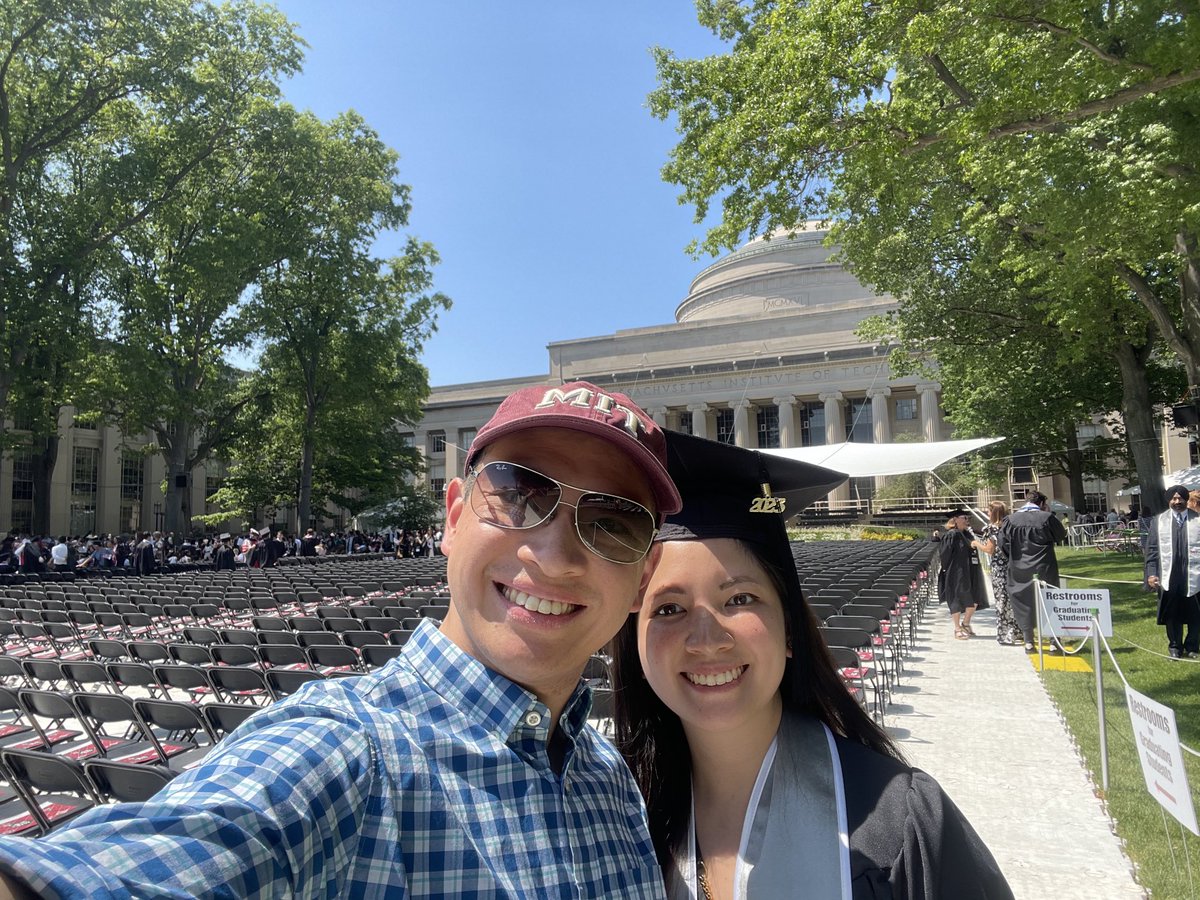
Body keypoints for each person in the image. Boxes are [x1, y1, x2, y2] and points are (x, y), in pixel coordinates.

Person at [0, 380, 680, 899]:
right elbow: (130, 866)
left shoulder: (607, 776)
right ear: (452, 516)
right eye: (518, 491)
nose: (555, 556)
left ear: (644, 576)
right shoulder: (344, 751)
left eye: (614, 522)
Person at [611, 432, 1012, 899]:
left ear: (790, 629)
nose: (706, 641)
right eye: (668, 609)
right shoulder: (612, 814)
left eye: (740, 598)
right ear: (634, 642)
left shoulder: (902, 822)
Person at [997, 490, 1066, 653]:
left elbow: (1002, 544)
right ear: (1042, 504)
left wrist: (1014, 558)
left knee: (1022, 602)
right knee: (1050, 600)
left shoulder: (1010, 520)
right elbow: (1061, 536)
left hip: (1019, 568)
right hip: (1044, 566)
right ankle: (1053, 642)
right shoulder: (1047, 518)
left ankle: (1029, 642)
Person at [1144, 485, 1200, 659]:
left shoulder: (1197, 519)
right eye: (1173, 499)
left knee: (1195, 612)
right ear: (1169, 500)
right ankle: (1174, 646)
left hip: (1194, 573)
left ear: (1185, 499)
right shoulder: (1159, 521)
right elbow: (1152, 550)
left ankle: (1192, 646)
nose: (1177, 502)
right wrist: (1151, 574)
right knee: (1172, 612)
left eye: (1180, 498)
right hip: (1169, 574)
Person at [938, 511, 988, 640]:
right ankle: (957, 628)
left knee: (975, 598)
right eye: (964, 518)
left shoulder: (967, 534)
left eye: (967, 518)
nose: (967, 520)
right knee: (957, 598)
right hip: (957, 571)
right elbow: (945, 554)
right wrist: (946, 570)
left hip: (971, 570)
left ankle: (965, 623)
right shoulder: (951, 535)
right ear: (955, 520)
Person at [977, 501, 1021, 645]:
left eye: (989, 511)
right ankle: (1017, 630)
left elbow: (989, 550)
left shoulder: (991, 529)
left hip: (999, 568)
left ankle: (1004, 633)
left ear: (994, 512)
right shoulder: (1012, 526)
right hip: (1014, 565)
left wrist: (976, 544)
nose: (987, 514)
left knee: (1001, 599)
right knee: (1014, 599)